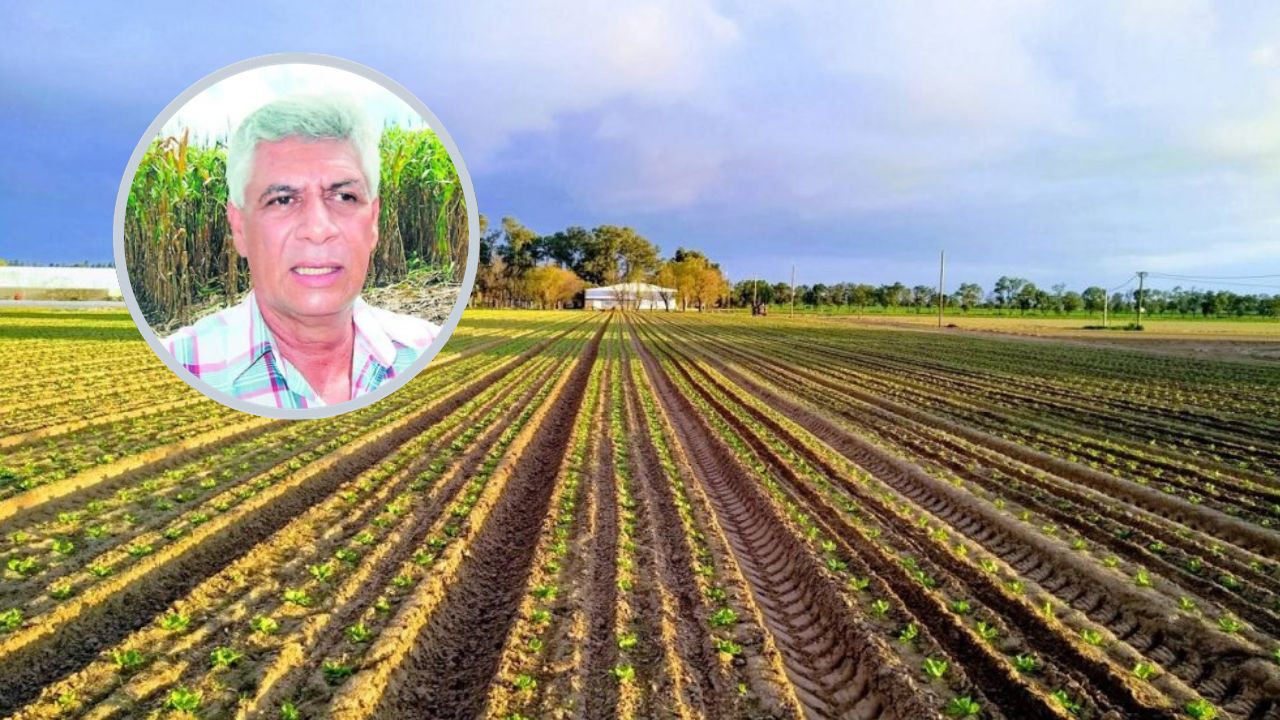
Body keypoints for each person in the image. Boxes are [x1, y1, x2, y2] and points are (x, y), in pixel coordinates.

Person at [162, 94, 439, 409]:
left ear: (373, 221)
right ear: (239, 228)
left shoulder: (432, 353)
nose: (318, 229)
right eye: (282, 199)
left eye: (345, 196)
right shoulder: (179, 368)